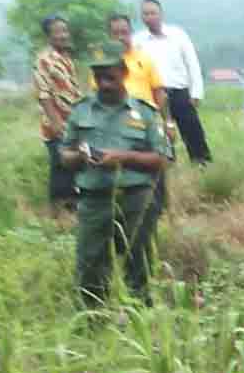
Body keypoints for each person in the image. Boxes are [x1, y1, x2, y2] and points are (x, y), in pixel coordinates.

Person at [59, 41, 170, 308]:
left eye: (110, 77)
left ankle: (140, 316)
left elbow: (162, 159)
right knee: (90, 263)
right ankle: (92, 318)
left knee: (139, 261)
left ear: (124, 72)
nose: (104, 84)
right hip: (94, 199)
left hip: (136, 198)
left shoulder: (145, 112)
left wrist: (123, 158)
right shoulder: (81, 110)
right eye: (98, 77)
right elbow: (65, 155)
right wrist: (80, 156)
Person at [108, 13, 171, 248]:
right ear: (109, 36)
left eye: (124, 32)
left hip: (148, 127)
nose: (120, 37)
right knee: (124, 181)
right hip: (118, 131)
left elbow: (159, 92)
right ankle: (122, 235)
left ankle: (152, 224)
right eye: (115, 33)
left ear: (130, 33)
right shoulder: (105, 65)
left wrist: (168, 122)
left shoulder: (144, 59)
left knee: (156, 174)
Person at [134, 0, 211, 163]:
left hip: (179, 91)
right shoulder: (138, 41)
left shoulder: (178, 35)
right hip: (153, 94)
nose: (150, 17)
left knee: (192, 130)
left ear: (161, 14)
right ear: (142, 17)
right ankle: (168, 164)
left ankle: (201, 162)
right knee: (161, 132)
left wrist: (196, 93)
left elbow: (192, 64)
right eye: (145, 14)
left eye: (153, 13)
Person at [32, 15, 81, 212]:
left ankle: (71, 208)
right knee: (60, 166)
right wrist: (56, 122)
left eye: (65, 30)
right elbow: (43, 94)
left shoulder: (66, 58)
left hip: (72, 122)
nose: (63, 35)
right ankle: (58, 210)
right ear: (48, 36)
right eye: (58, 32)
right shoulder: (44, 60)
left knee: (72, 165)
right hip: (56, 124)